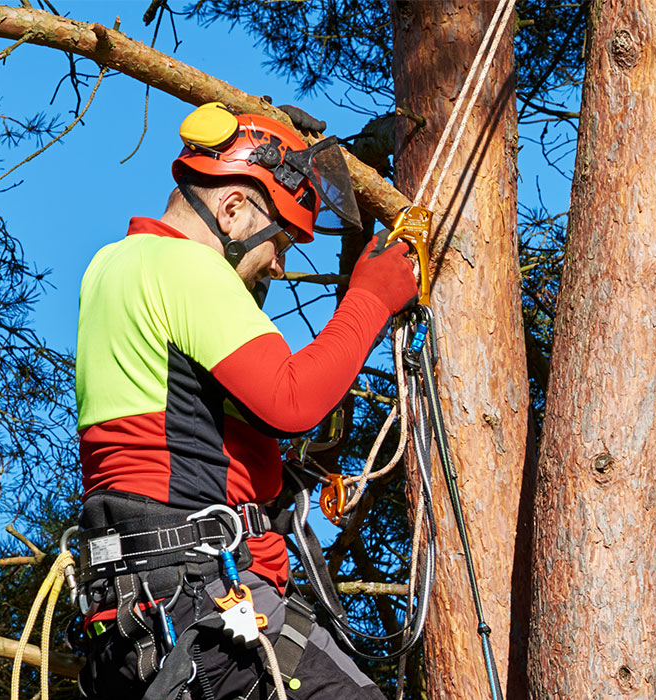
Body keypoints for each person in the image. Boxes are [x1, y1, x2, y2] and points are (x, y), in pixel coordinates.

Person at [71, 104, 416, 700]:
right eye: (279, 240)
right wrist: (370, 299)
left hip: (134, 615)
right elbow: (292, 398)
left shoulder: (111, 268)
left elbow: (173, 428)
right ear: (233, 209)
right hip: (203, 604)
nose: (280, 265)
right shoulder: (181, 264)